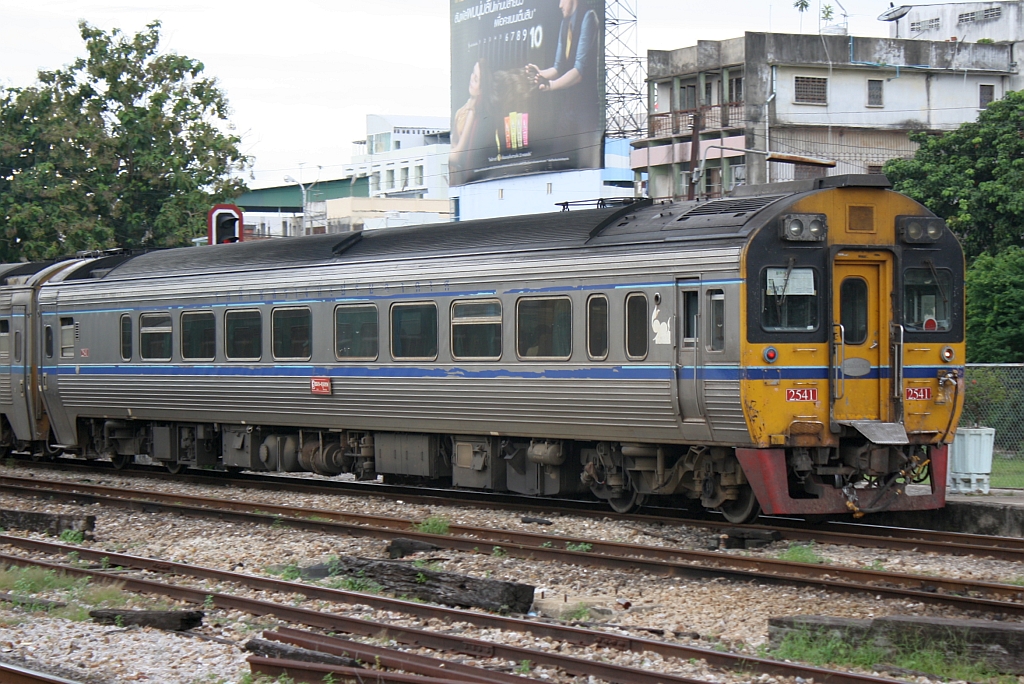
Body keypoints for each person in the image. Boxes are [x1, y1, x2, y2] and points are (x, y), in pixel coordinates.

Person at [525, 0, 599, 94]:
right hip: (568, 102)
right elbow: (558, 68)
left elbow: (578, 72)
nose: (560, 5)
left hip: (585, 102)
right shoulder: (565, 23)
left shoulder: (588, 16)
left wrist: (551, 85)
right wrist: (539, 73)